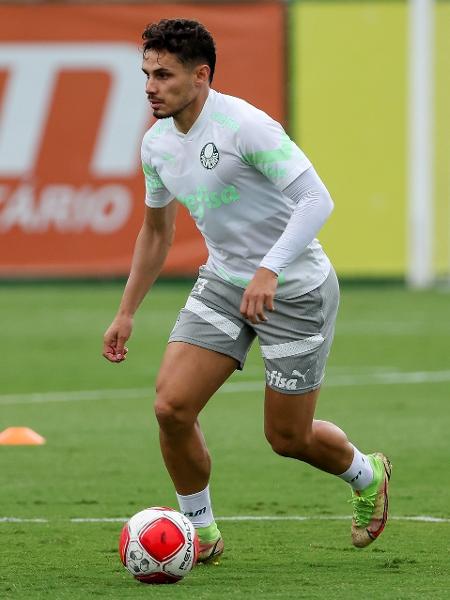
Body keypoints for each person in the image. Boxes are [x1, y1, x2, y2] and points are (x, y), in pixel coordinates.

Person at [103, 18, 391, 562]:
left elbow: (317, 201)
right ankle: (199, 532)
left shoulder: (245, 127)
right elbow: (156, 232)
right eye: (146, 74)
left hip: (296, 292)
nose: (150, 87)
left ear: (201, 75)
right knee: (171, 407)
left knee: (288, 438)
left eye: (163, 75)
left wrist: (271, 270)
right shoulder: (157, 145)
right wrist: (126, 312)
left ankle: (366, 472)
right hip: (224, 282)